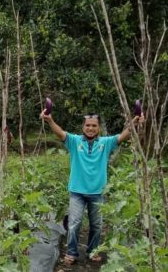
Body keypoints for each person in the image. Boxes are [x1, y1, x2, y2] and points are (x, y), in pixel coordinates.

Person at [40, 110, 143, 265]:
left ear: (98, 128)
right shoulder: (74, 141)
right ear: (83, 127)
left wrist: (134, 123)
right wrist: (49, 120)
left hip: (98, 192)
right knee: (74, 223)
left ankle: (92, 251)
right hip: (77, 191)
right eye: (87, 125)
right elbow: (60, 133)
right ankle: (71, 253)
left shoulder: (105, 143)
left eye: (94, 125)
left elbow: (123, 136)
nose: (90, 128)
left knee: (96, 225)